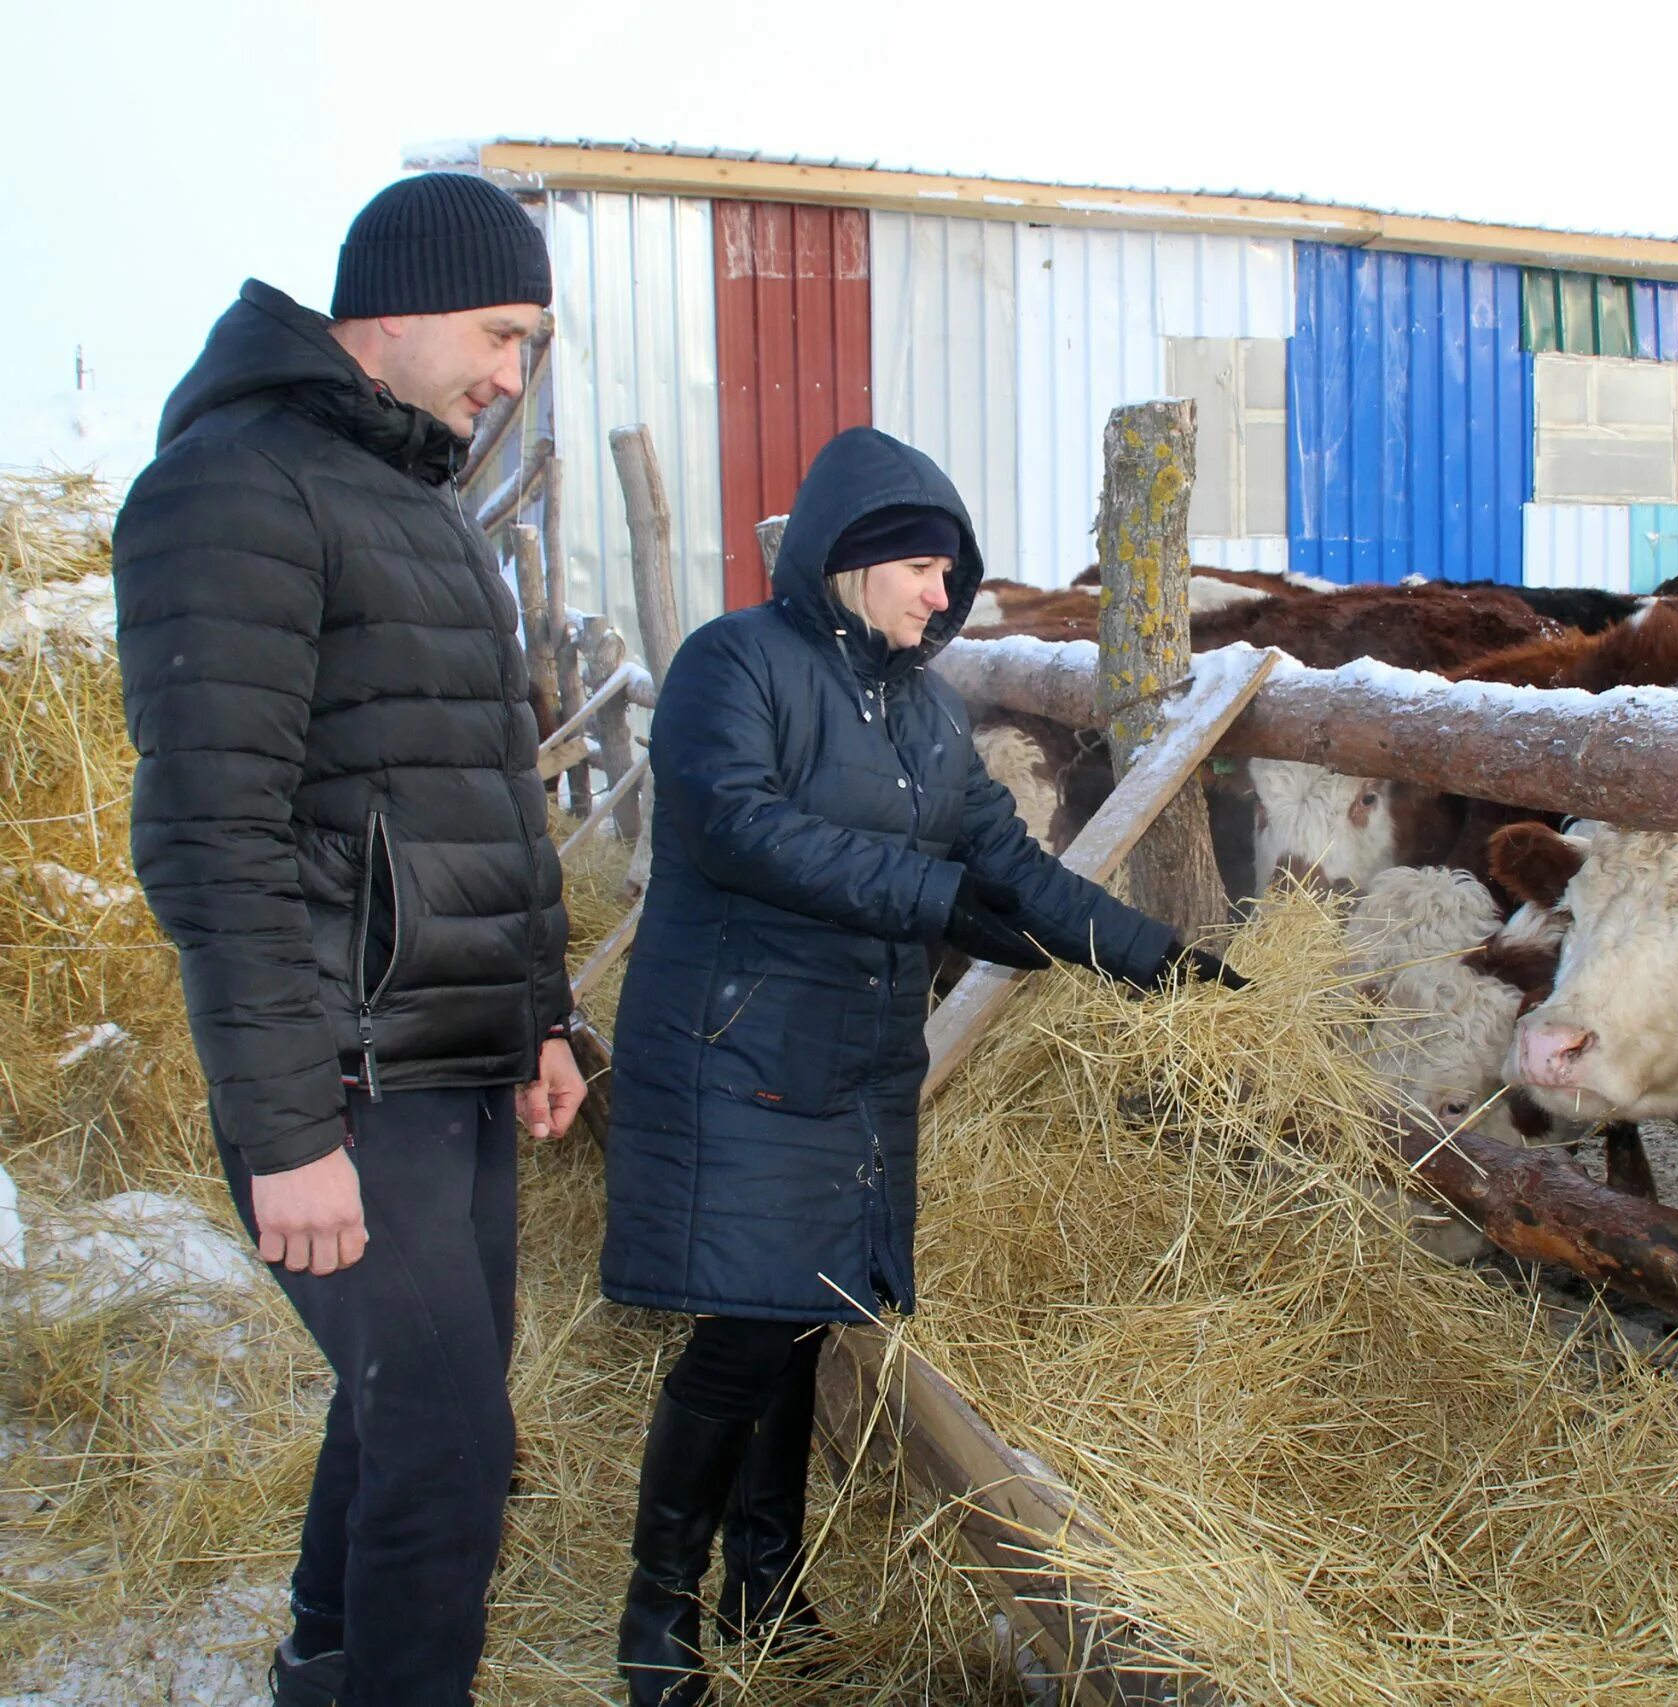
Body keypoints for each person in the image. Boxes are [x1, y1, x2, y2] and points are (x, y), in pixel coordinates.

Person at [601, 426, 1239, 1705]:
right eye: (925, 571)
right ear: (853, 559)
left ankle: (767, 1593)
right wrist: (938, 898)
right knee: (741, 1339)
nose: (943, 596)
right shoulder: (734, 666)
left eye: (951, 573)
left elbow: (1008, 865)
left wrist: (1156, 960)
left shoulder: (919, 710)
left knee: (797, 1324)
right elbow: (743, 831)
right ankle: (655, 1617)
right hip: (736, 1048)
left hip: (847, 1061)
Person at [113, 173, 586, 1707]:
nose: (512, 375)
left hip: (453, 1060)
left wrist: (544, 1014)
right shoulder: (236, 488)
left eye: (530, 344)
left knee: (416, 1414)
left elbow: (483, 798)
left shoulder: (421, 510)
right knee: (452, 1444)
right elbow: (211, 837)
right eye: (500, 333)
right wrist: (286, 1128)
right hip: (347, 1080)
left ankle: (324, 1659)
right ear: (389, 305)